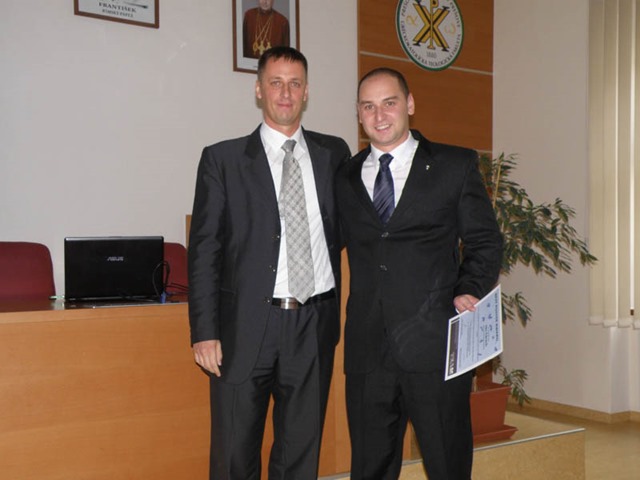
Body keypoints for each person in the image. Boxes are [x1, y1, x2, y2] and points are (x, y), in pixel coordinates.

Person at [188, 46, 350, 480]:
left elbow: (353, 227)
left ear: (307, 91)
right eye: (275, 83)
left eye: (295, 84)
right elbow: (204, 250)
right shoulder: (222, 160)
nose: (285, 93)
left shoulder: (334, 154)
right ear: (258, 90)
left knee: (300, 455)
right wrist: (204, 331)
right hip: (244, 327)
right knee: (234, 454)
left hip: (313, 324)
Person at [336, 67, 503, 480]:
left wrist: (470, 288)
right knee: (370, 468)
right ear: (358, 113)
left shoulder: (454, 165)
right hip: (368, 349)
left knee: (447, 464)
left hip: (434, 345)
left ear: (409, 104)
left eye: (389, 103)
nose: (379, 116)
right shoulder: (344, 176)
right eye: (368, 106)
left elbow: (485, 240)